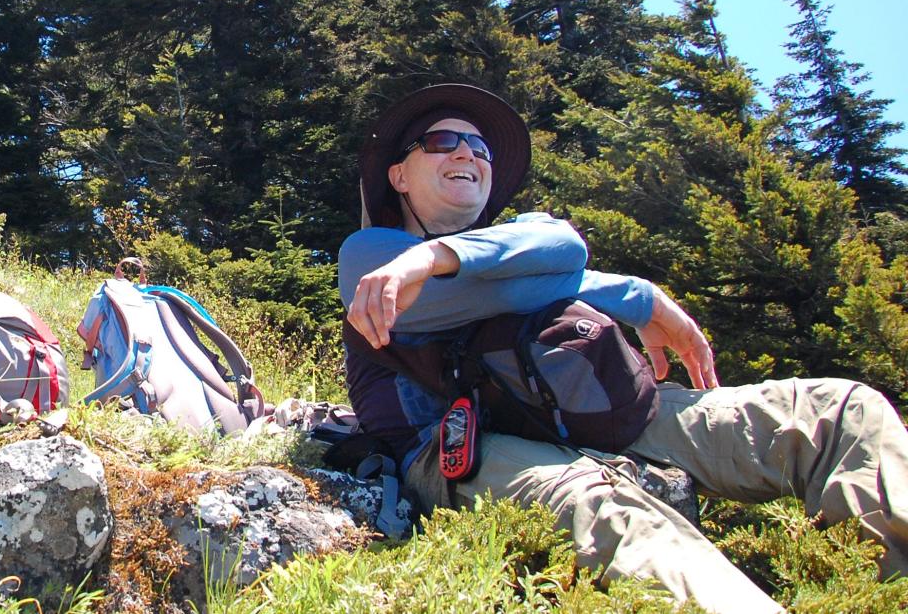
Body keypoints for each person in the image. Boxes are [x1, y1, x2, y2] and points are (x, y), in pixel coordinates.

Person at [337, 84, 908, 613]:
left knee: (838, 412)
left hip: (579, 412)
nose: (467, 153)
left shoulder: (521, 243)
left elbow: (561, 241)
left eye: (479, 146)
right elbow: (520, 271)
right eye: (441, 142)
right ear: (400, 176)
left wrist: (443, 257)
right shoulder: (368, 259)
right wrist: (638, 298)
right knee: (609, 509)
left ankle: (878, 585)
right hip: (457, 448)